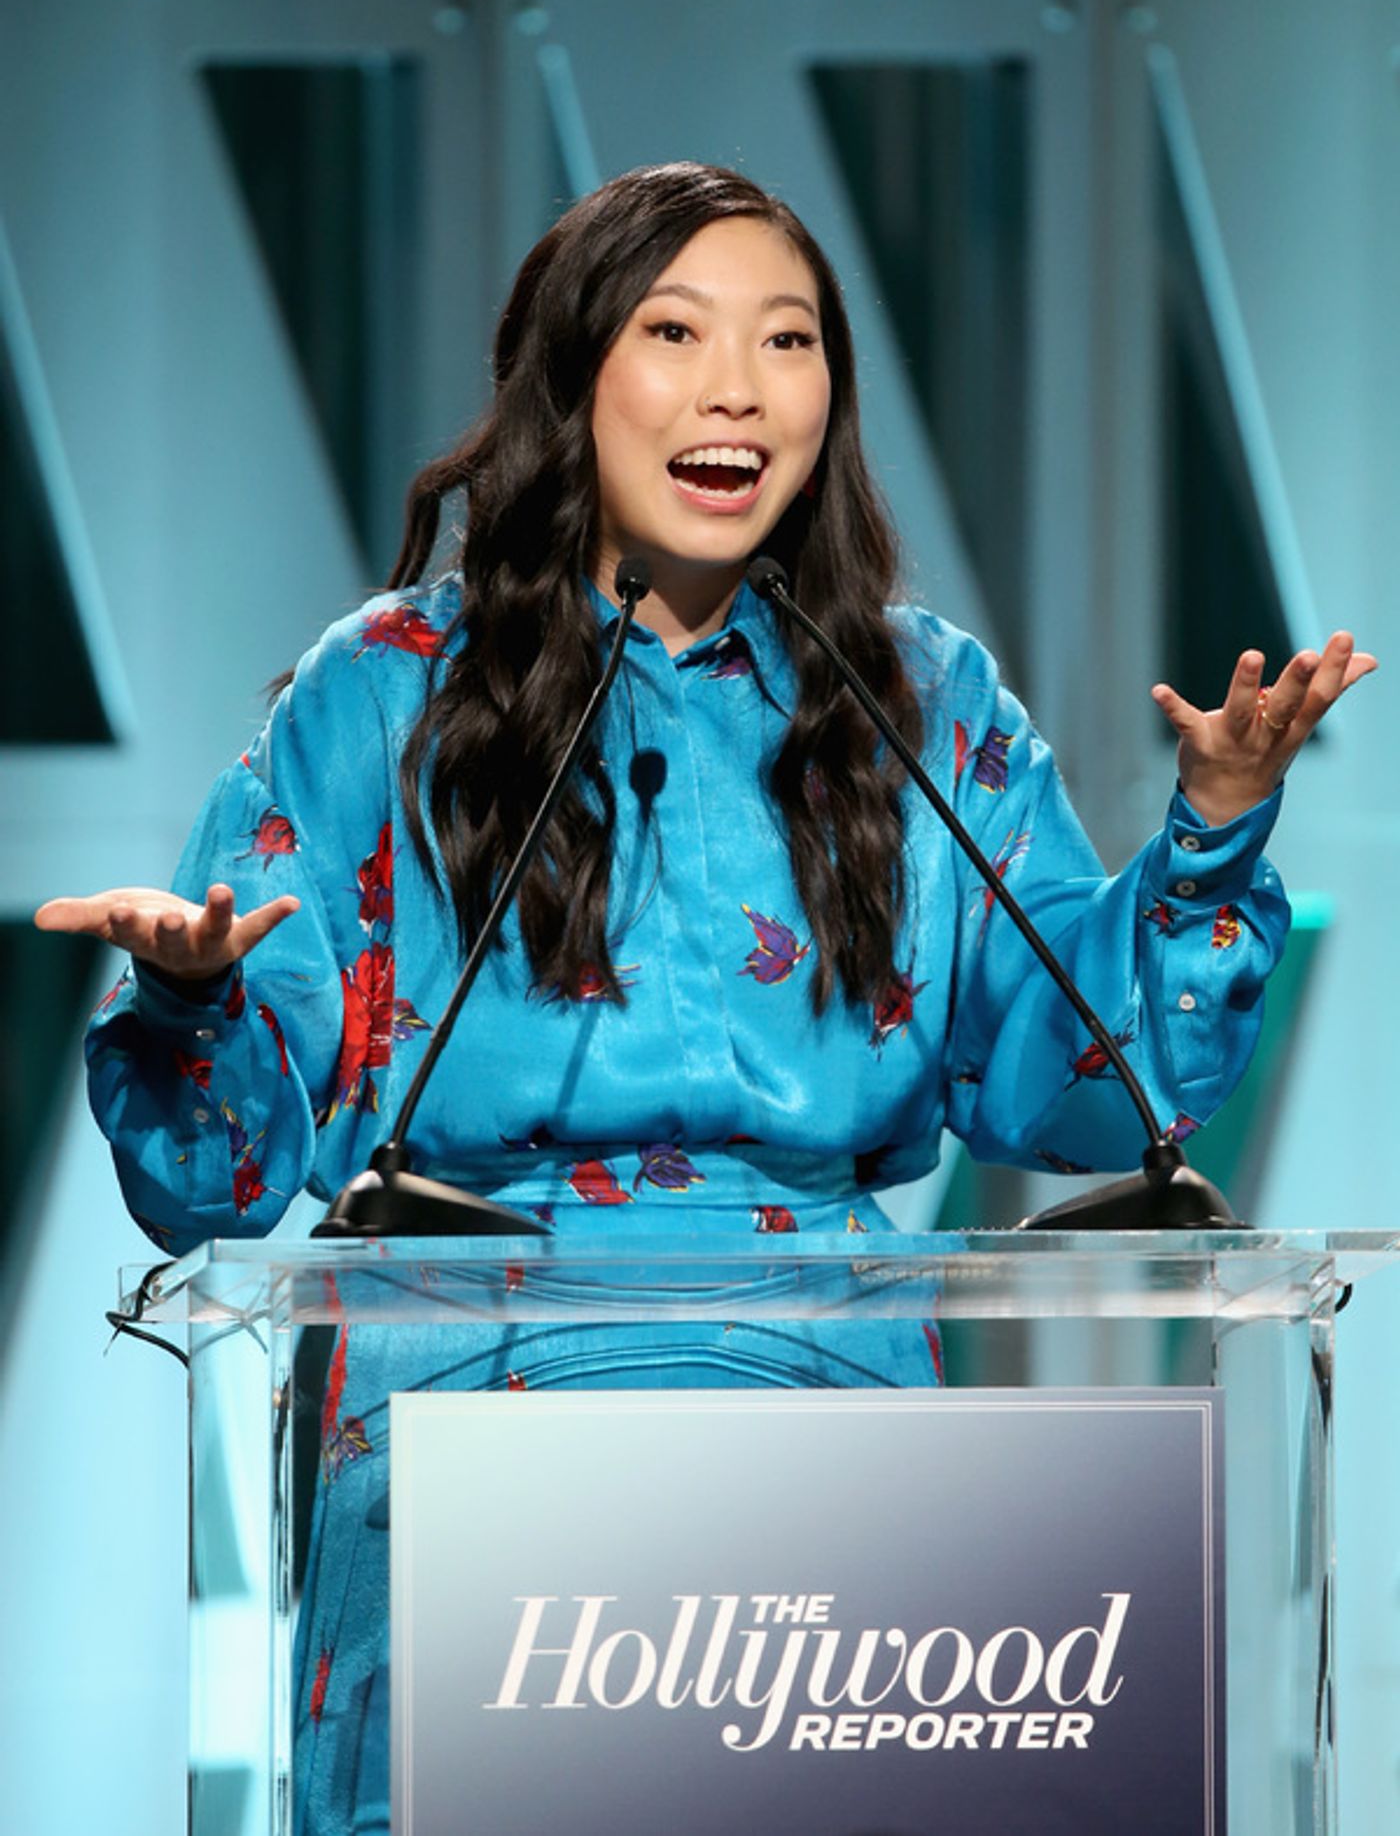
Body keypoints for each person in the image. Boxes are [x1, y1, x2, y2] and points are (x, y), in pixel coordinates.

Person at [35, 162, 1373, 1830]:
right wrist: (186, 1009)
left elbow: (1082, 1083)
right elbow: (219, 1179)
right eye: (677, 331)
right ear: (575, 374)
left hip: (847, 1476)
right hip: (474, 1453)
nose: (739, 384)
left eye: (789, 340)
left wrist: (1211, 842)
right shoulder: (385, 692)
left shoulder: (918, 698)